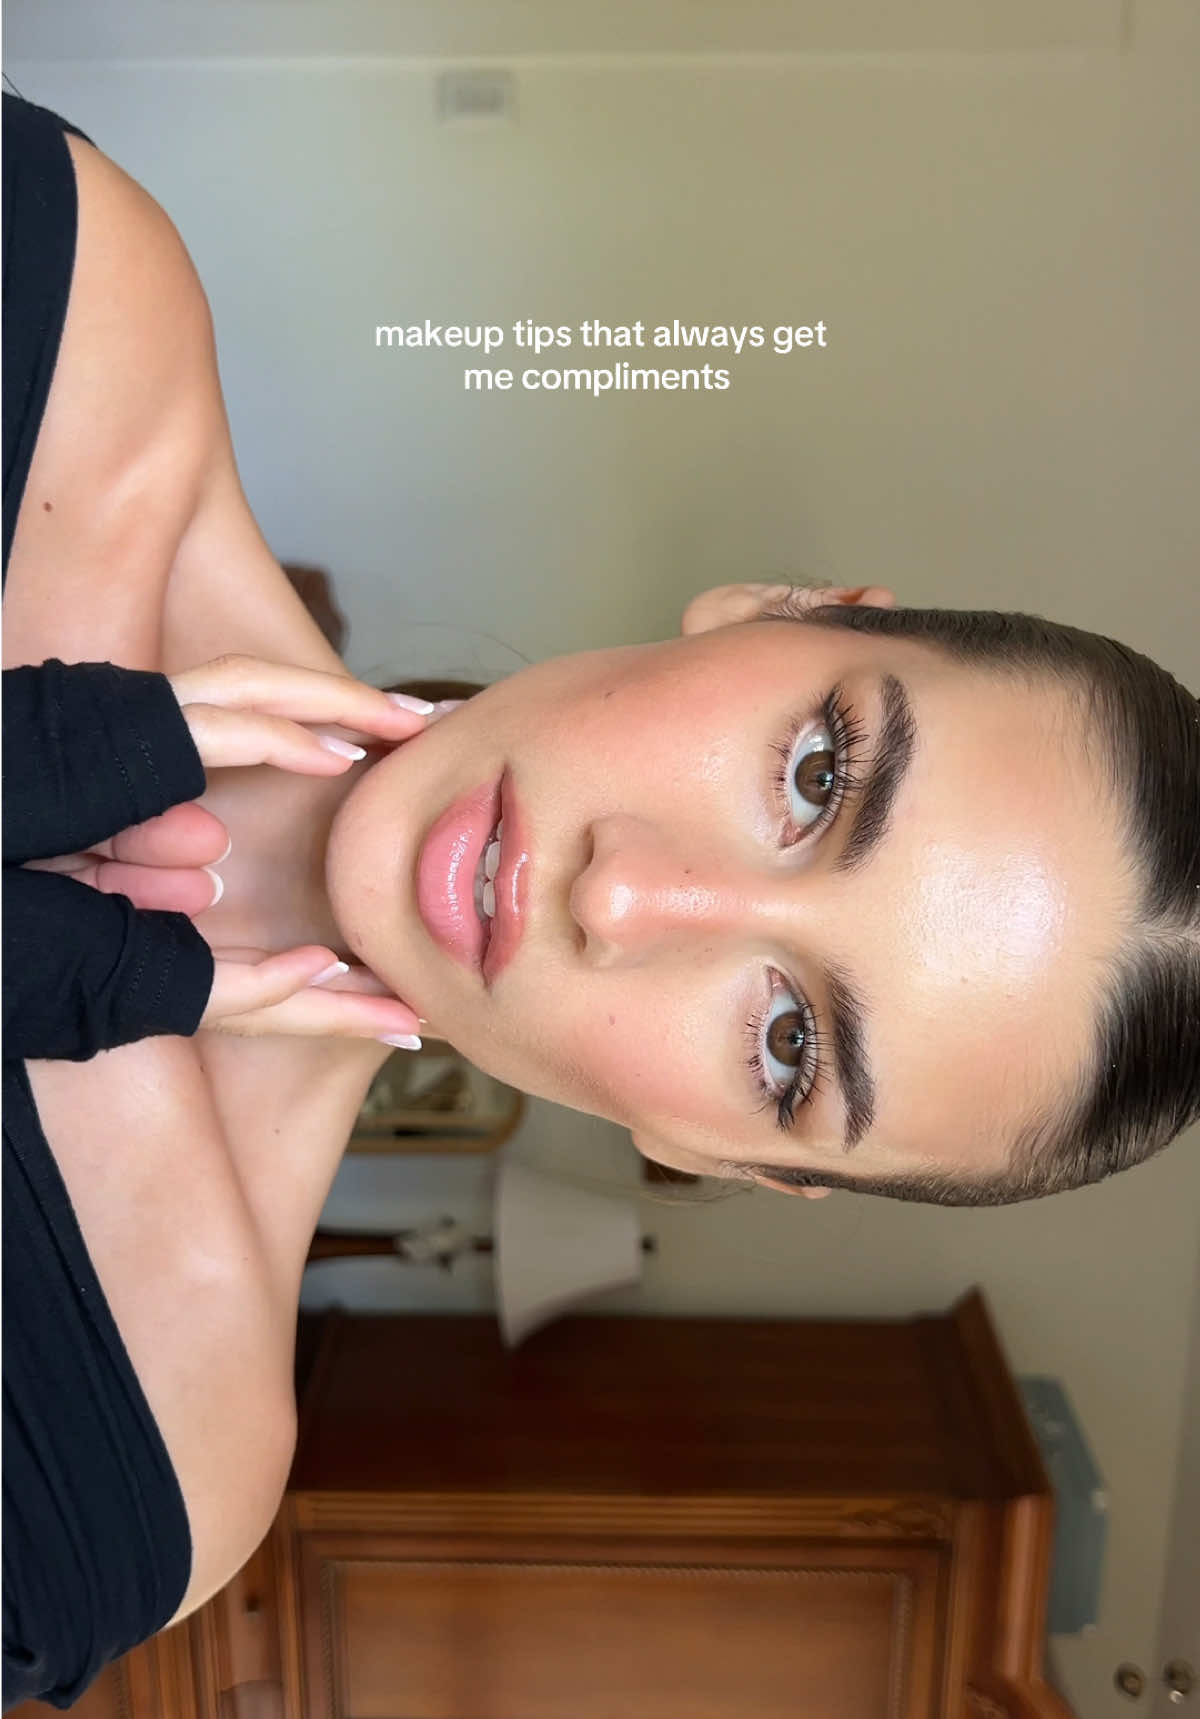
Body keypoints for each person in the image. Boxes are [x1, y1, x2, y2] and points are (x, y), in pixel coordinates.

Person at [2, 90, 1197, 1707]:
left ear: (715, 1156)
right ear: (772, 609)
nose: (627, 896)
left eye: (787, 1046)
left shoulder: (147, 1467)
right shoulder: (69, 294)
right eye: (818, 775)